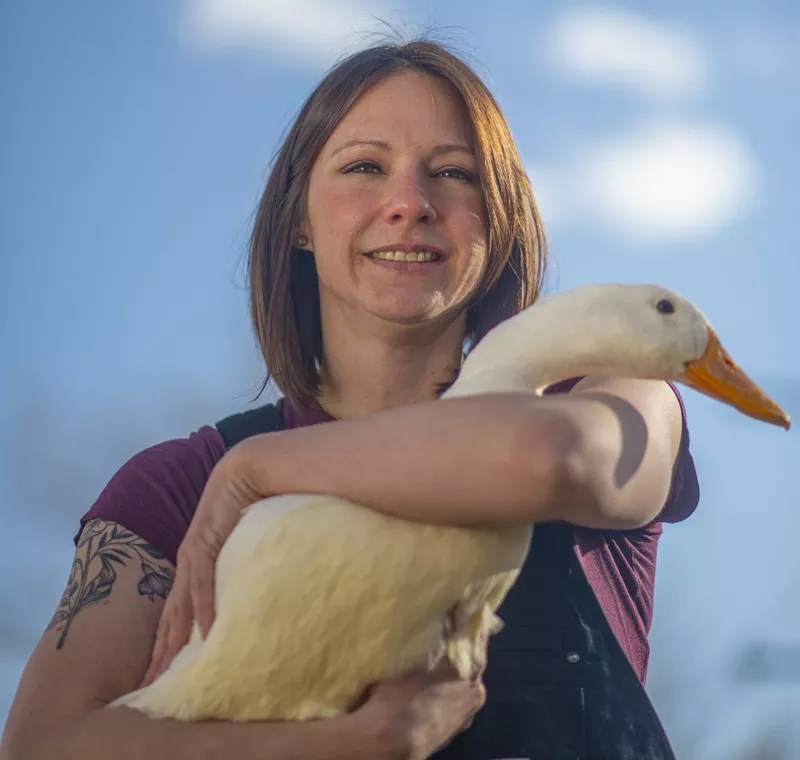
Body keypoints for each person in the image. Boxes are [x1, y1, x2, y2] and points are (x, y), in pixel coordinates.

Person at [2, 38, 698, 760]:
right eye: (365, 167)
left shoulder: (612, 396)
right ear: (300, 218)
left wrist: (260, 471)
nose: (409, 204)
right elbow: (43, 745)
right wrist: (352, 745)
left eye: (453, 173)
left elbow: (553, 458)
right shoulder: (175, 484)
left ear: (500, 223)